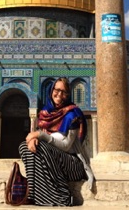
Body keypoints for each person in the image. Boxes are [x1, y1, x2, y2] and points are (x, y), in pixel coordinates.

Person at [18, 77, 94, 206]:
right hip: (52, 160)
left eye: (64, 92)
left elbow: (65, 146)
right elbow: (40, 138)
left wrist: (40, 135)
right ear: (51, 90)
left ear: (68, 95)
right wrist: (34, 139)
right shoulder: (45, 113)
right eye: (57, 90)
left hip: (73, 165)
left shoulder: (73, 114)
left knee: (42, 147)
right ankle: (34, 194)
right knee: (25, 147)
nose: (59, 94)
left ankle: (62, 196)